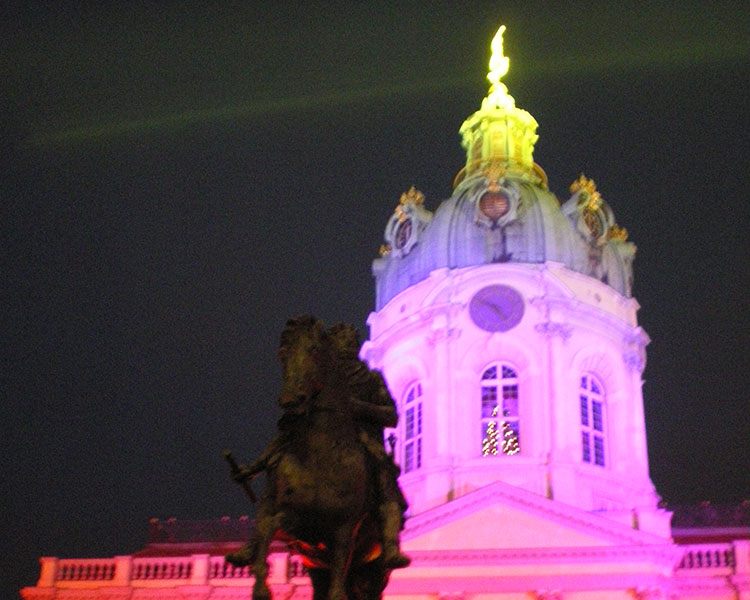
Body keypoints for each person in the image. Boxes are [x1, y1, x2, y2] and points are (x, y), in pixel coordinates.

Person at [327, 323, 411, 569]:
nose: (344, 345)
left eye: (349, 340)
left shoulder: (371, 379)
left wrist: (359, 408)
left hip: (364, 440)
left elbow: (391, 416)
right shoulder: (325, 380)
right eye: (339, 340)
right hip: (333, 441)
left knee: (385, 479)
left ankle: (390, 544)